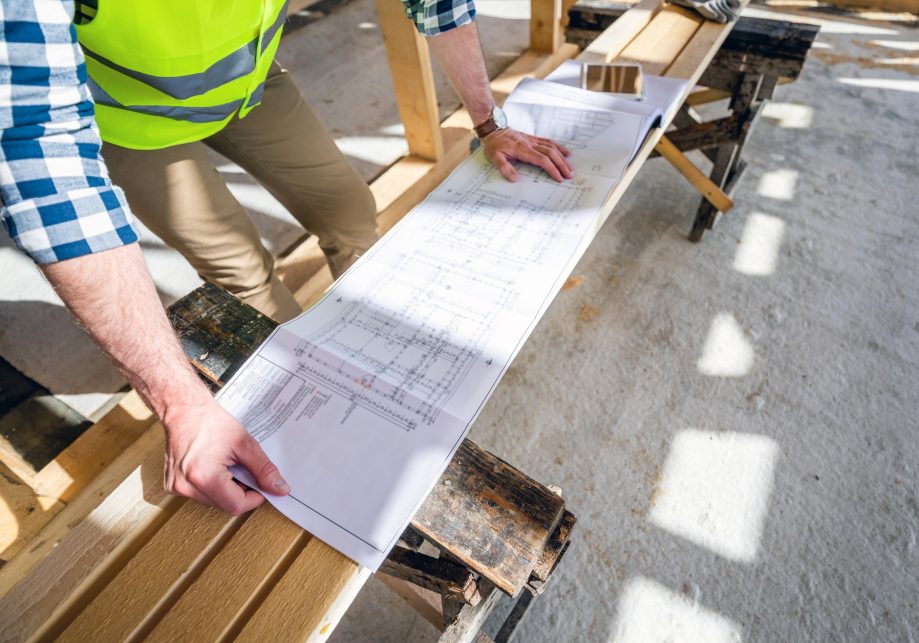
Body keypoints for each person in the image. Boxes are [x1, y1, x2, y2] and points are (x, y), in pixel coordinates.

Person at [1, 0, 571, 515]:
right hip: (134, 121)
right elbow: (40, 157)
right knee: (243, 271)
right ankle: (317, 410)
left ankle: (377, 362)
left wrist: (488, 123)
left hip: (250, 85)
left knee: (348, 207)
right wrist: (179, 403)